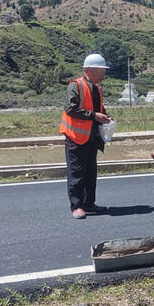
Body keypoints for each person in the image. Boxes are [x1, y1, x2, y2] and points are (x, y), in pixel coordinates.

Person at [60, 53, 113, 219]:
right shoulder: (76, 86)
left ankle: (89, 203)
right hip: (76, 137)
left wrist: (106, 117)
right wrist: (94, 116)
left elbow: (98, 109)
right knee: (76, 173)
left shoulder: (97, 88)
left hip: (91, 137)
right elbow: (71, 109)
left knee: (90, 173)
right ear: (90, 70)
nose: (104, 73)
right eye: (102, 70)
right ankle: (77, 206)